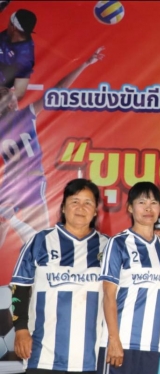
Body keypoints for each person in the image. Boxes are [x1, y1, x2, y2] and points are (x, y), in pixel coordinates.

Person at [10, 178, 108, 374]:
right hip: (44, 352)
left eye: (87, 203)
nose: (80, 208)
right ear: (63, 207)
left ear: (95, 211)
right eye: (74, 202)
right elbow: (20, 288)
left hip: (88, 357)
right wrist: (21, 329)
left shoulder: (108, 248)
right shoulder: (39, 242)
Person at [0, 47, 105, 249]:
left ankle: (8, 218)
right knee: (41, 239)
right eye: (14, 97)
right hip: (31, 181)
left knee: (3, 228)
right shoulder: (25, 115)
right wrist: (85, 64)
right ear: (11, 105)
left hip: (10, 184)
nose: (17, 98)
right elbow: (59, 89)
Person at [94, 181, 160, 374]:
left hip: (151, 346)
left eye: (153, 203)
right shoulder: (119, 244)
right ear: (130, 208)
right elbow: (109, 295)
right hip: (120, 344)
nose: (148, 208)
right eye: (141, 202)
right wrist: (113, 340)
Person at [0, 8, 36, 102]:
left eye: (10, 23)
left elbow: (19, 92)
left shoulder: (25, 57)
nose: (7, 25)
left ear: (14, 28)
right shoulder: (9, 34)